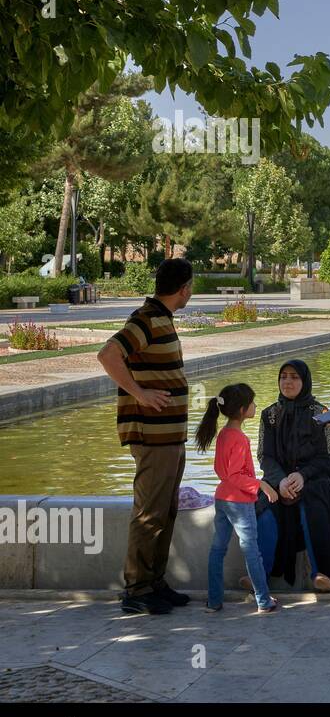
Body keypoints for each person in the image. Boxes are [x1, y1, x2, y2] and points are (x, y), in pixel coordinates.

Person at [96, 258, 194, 615]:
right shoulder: (145, 319)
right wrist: (139, 393)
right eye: (190, 286)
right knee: (149, 513)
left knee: (165, 511)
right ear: (184, 288)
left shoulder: (160, 318)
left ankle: (154, 582)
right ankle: (136, 589)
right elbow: (107, 355)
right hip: (153, 437)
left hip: (169, 437)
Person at [255, 360, 330, 593]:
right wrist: (281, 481)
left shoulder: (321, 414)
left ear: (305, 381)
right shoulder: (269, 415)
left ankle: (322, 573)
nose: (288, 382)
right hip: (278, 481)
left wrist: (302, 475)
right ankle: (258, 574)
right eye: (283, 377)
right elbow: (265, 456)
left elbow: (327, 458)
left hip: (315, 480)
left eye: (294, 377)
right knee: (265, 508)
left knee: (312, 506)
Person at [196, 383, 279, 613]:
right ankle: (263, 600)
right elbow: (235, 475)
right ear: (242, 410)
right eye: (252, 403)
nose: (255, 406)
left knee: (217, 549)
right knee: (251, 549)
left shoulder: (223, 434)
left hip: (222, 498)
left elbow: (223, 473)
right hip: (239, 502)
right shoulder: (239, 439)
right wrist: (261, 484)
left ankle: (214, 601)